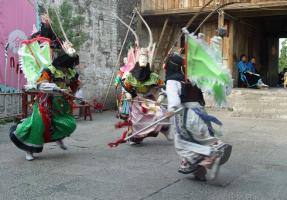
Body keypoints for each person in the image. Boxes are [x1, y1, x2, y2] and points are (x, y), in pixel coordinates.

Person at [9, 14, 80, 161]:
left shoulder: (71, 71)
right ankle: (29, 149)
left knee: (69, 124)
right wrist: (55, 88)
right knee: (38, 124)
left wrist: (76, 91)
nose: (72, 64)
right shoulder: (50, 69)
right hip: (46, 101)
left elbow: (75, 85)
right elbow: (41, 84)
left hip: (62, 105)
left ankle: (57, 138)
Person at [165, 53, 232, 181]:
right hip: (201, 113)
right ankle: (201, 170)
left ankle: (211, 155)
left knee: (182, 144)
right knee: (202, 138)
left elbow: (174, 101)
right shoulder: (192, 79)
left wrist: (170, 111)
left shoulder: (172, 80)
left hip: (186, 115)